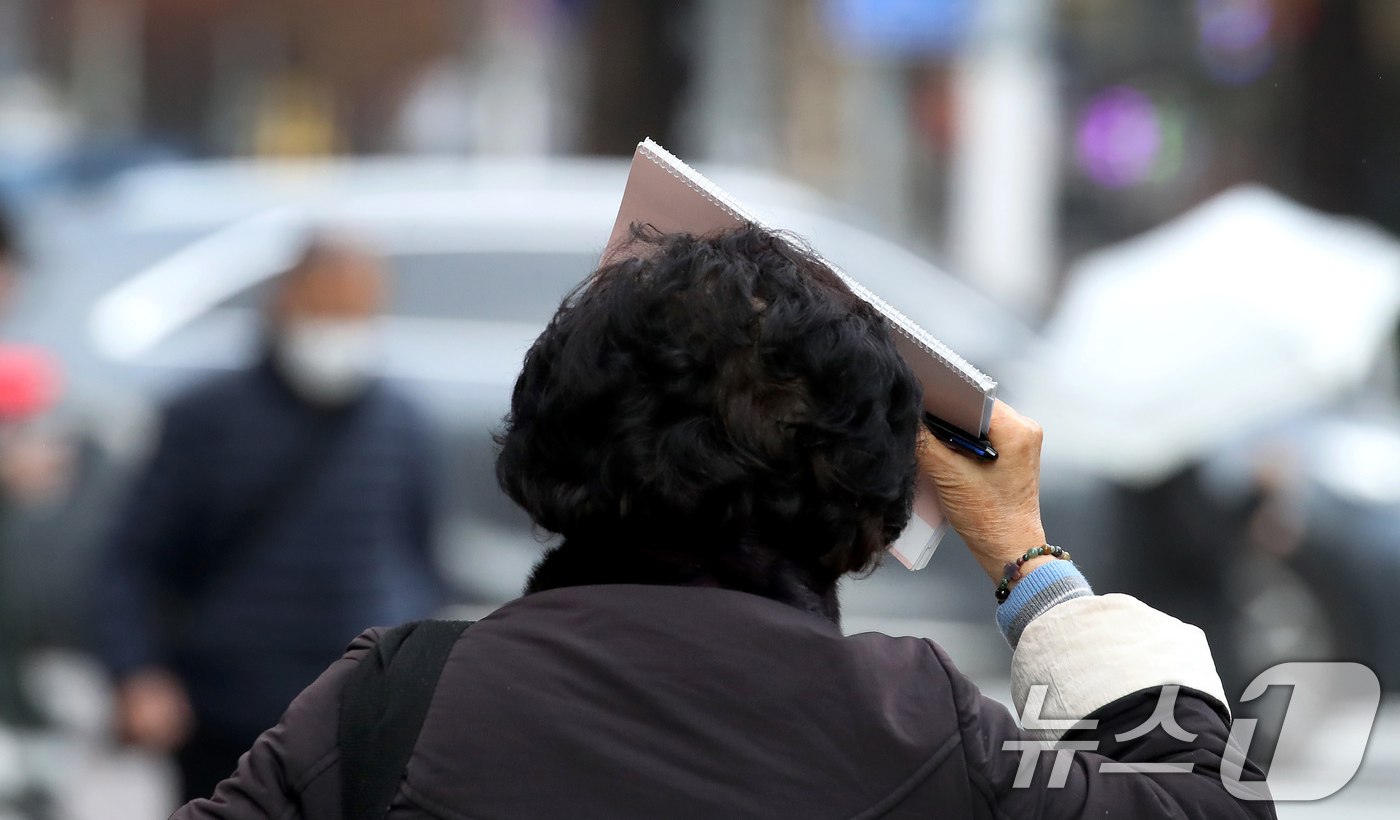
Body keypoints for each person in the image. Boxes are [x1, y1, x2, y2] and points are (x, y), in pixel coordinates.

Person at [174, 225, 1272, 819]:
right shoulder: (912, 728)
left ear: (548, 441)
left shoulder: (395, 702)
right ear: (861, 506)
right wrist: (1026, 561)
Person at [97, 234, 444, 804]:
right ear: (282, 305)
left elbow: (420, 561)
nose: (339, 328)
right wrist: (137, 673)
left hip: (360, 724)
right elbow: (131, 561)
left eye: (354, 311)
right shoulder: (204, 418)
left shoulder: (401, 424)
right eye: (323, 308)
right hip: (226, 716)